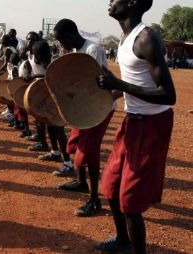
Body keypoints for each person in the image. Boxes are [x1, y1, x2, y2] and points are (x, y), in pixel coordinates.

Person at [95, 0, 176, 253]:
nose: (110, 1)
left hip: (152, 125)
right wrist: (115, 91)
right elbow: (135, 81)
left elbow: (168, 95)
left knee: (130, 202)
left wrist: (118, 85)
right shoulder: (124, 36)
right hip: (132, 119)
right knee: (110, 184)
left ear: (131, 3)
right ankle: (123, 241)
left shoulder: (146, 38)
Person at [53, 19, 116, 217]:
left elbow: (94, 85)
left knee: (88, 152)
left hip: (98, 108)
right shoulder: (73, 51)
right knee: (75, 143)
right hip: (84, 107)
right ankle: (81, 183)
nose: (61, 45)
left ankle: (94, 200)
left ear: (70, 35)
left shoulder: (93, 50)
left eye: (61, 41)